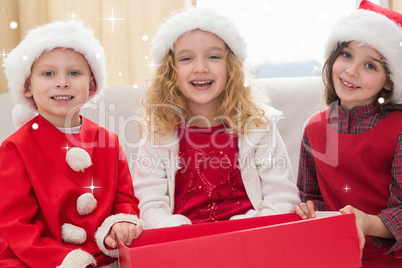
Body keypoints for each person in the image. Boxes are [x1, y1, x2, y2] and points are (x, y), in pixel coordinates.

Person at [133, 7, 300, 229]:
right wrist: (181, 235)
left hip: (250, 240)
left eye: (213, 56)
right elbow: (150, 206)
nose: (200, 67)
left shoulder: (259, 125)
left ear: (231, 66)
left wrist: (239, 232)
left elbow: (282, 200)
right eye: (186, 58)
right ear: (171, 70)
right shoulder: (158, 131)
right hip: (183, 246)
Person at [0, 20, 143, 267]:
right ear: (27, 86)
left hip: (101, 255)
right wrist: (63, 259)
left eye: (74, 73)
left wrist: (121, 222)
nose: (62, 82)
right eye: (48, 73)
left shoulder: (108, 141)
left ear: (91, 85)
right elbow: (15, 224)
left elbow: (125, 199)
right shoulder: (16, 148)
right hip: (36, 258)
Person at [291, 0, 402, 266]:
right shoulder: (314, 128)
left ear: (389, 79)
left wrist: (366, 223)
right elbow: (311, 197)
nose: (351, 71)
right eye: (347, 55)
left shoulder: (398, 129)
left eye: (370, 65)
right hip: (331, 254)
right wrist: (307, 210)